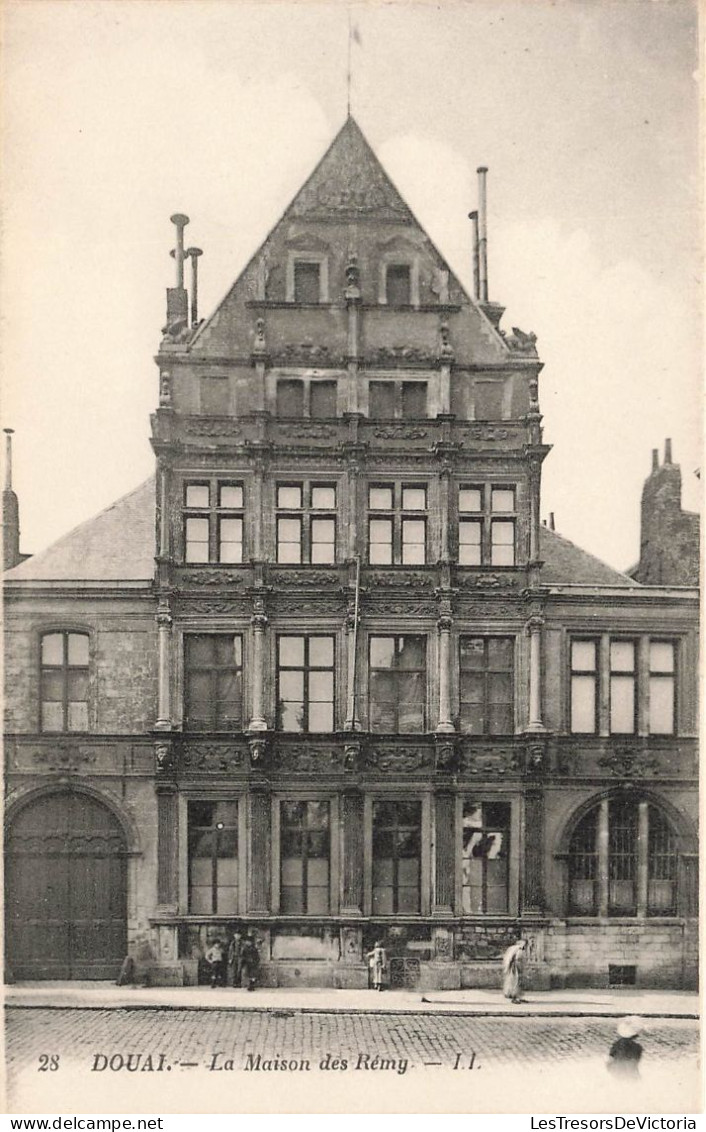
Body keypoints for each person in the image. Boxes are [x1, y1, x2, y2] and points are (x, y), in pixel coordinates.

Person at [502, 938, 527, 1003]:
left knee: (515, 982)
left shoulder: (514, 949)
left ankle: (517, 996)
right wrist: (520, 969)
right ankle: (515, 997)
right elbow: (518, 959)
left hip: (514, 968)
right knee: (516, 983)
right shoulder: (519, 950)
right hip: (515, 968)